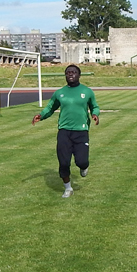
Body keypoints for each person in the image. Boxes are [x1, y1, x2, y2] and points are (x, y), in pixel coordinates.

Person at [32, 64, 100, 198]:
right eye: (68, 72)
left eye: (74, 72)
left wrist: (95, 114)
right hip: (64, 131)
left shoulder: (87, 91)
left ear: (79, 75)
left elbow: (95, 106)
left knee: (82, 162)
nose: (70, 74)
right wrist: (41, 115)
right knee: (63, 162)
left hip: (81, 131)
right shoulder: (59, 93)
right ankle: (68, 188)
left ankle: (83, 167)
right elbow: (50, 107)